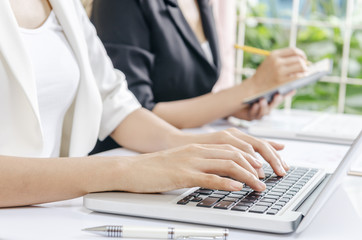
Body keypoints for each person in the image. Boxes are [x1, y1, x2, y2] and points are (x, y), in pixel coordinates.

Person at [0, 0, 289, 208]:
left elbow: (114, 100)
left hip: (52, 212)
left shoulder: (64, 5)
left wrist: (187, 144)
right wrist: (127, 170)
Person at [91, 0, 308, 130]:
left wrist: (233, 107)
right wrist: (249, 88)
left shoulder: (202, 3)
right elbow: (133, 114)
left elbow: (182, 94)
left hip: (181, 149)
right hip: (130, 161)